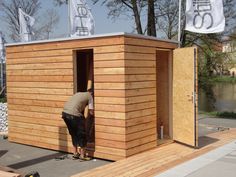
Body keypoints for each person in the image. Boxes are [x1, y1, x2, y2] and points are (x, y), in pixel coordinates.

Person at [62, 88, 94, 160]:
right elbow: (91, 111)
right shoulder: (90, 96)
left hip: (65, 113)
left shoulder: (78, 93)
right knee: (82, 134)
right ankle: (83, 155)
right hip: (74, 115)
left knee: (74, 134)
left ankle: (75, 153)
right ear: (92, 93)